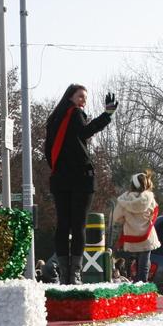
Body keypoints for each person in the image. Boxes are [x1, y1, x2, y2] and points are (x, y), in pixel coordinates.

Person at [43, 84, 117, 284]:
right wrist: (107, 115)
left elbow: (48, 150)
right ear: (71, 97)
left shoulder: (54, 119)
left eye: (85, 97)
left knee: (62, 225)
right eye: (80, 96)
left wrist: (59, 168)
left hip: (60, 178)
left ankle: (65, 274)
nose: (83, 100)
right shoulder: (75, 114)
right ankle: (74, 274)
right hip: (80, 178)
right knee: (78, 226)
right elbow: (86, 132)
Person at [113, 171, 161, 283]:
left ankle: (136, 284)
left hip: (131, 237)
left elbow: (117, 218)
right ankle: (143, 285)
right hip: (147, 237)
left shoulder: (124, 200)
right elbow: (154, 213)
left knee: (132, 264)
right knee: (144, 264)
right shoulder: (150, 199)